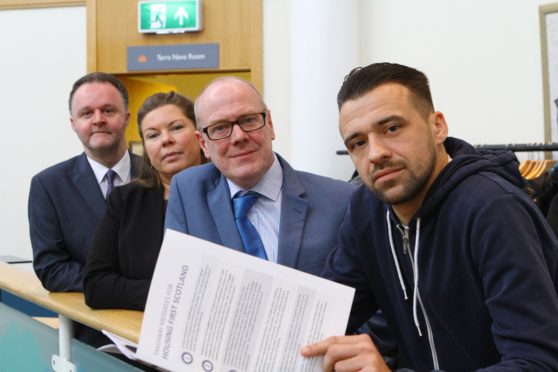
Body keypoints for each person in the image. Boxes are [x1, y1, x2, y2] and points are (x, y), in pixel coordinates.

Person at [301, 62, 558, 371]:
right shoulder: (366, 211)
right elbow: (322, 313)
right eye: (358, 142)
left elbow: (536, 363)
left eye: (392, 128)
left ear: (437, 126)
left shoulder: (493, 210)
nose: (375, 153)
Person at [165, 76, 356, 276]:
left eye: (248, 120)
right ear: (203, 144)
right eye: (220, 128)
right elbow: (176, 283)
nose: (239, 137)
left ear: (270, 124)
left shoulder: (341, 201)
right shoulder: (188, 193)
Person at [83, 91, 205, 310]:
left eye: (176, 128)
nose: (166, 140)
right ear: (146, 150)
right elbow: (95, 286)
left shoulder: (232, 192)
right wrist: (173, 294)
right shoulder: (125, 200)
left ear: (199, 135)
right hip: (141, 333)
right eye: (153, 135)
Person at [29, 72, 141, 293]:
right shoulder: (48, 186)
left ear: (127, 117)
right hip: (87, 321)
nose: (98, 119)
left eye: (108, 110)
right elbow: (51, 269)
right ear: (74, 123)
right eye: (86, 113)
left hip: (153, 319)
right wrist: (119, 287)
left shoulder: (157, 177)